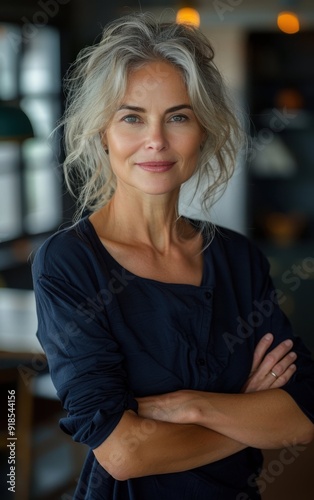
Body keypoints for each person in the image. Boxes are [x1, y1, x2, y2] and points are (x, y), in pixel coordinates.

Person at [32, 12, 314, 500]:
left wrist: (193, 406)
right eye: (132, 116)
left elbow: (301, 420)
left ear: (203, 130)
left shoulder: (237, 258)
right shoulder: (69, 263)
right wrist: (243, 409)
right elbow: (122, 455)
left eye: (178, 116)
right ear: (102, 131)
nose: (156, 140)